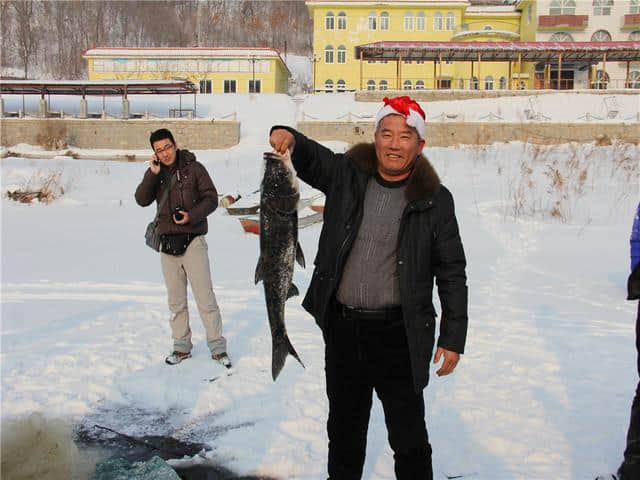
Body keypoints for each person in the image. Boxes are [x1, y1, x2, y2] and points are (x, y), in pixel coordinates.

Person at [269, 96, 468, 480]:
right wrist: (289, 137)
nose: (395, 144)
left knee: (408, 438)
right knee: (343, 432)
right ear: (374, 137)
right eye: (387, 133)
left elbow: (452, 271)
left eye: (405, 136)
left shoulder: (436, 201)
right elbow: (312, 158)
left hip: (400, 334)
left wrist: (453, 336)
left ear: (420, 145)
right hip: (344, 330)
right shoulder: (348, 175)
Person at [135, 128, 230, 368]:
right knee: (176, 303)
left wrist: (191, 215)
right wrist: (151, 174)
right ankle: (181, 347)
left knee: (205, 298)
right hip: (168, 245)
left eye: (167, 147)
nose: (165, 153)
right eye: (159, 150)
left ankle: (218, 348)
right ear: (154, 153)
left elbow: (211, 198)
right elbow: (141, 199)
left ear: (175, 145)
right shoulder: (156, 174)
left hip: (193, 241)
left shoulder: (194, 169)